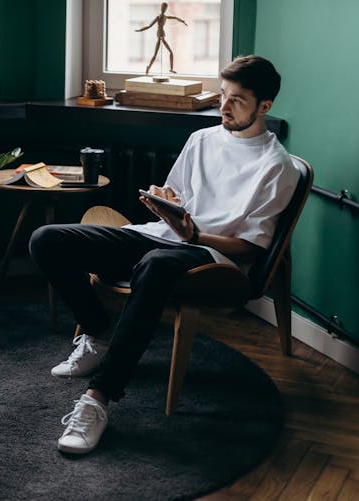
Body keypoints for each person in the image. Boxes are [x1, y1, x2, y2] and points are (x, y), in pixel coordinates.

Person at [29, 55, 299, 454]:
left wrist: (197, 233)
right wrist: (165, 203)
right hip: (165, 236)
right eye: (223, 95)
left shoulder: (277, 166)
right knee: (46, 239)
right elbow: (178, 195)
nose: (224, 107)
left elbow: (249, 247)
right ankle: (98, 332)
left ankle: (98, 399)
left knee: (154, 265)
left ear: (265, 107)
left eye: (237, 100)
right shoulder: (202, 139)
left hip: (214, 258)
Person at [135, 2, 188, 75]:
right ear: (161, 8)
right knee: (158, 54)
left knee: (165, 53)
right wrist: (140, 30)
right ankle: (149, 68)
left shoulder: (165, 17)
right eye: (163, 8)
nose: (164, 9)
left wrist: (183, 21)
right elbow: (149, 26)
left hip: (162, 33)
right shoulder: (158, 17)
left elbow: (175, 18)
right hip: (160, 34)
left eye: (165, 8)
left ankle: (170, 69)